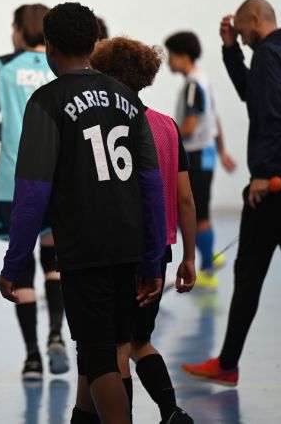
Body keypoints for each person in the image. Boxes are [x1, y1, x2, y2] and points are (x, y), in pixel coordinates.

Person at [0, 2, 166, 424]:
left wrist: (15, 263)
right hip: (129, 242)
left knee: (98, 357)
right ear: (93, 44)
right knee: (103, 353)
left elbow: (32, 192)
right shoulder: (126, 98)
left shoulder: (47, 101)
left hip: (85, 247)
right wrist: (152, 258)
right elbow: (151, 184)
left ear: (50, 47)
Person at [182, 0, 281, 389]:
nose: (243, 36)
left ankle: (227, 365)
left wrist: (263, 174)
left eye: (243, 30)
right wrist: (231, 50)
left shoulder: (268, 54)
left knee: (248, 274)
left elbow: (271, 117)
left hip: (276, 184)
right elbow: (256, 94)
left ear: (254, 18)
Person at [91, 37, 196, 424]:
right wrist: (189, 256)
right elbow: (185, 198)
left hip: (118, 247)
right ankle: (171, 412)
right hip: (159, 248)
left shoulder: (103, 128)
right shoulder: (167, 125)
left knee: (118, 347)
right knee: (140, 340)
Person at [0, 4, 68, 380]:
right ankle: (56, 335)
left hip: (13, 176)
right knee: (54, 259)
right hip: (59, 176)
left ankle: (31, 357)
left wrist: (10, 133)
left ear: (18, 29)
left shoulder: (2, 66)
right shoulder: (59, 64)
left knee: (22, 263)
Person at [164, 31, 237, 289]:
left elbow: (191, 125)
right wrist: (222, 150)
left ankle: (207, 266)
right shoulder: (203, 80)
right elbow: (214, 119)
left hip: (195, 155)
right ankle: (208, 257)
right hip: (206, 153)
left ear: (183, 56)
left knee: (197, 212)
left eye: (171, 55)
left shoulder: (193, 85)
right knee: (198, 209)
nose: (168, 61)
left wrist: (165, 137)